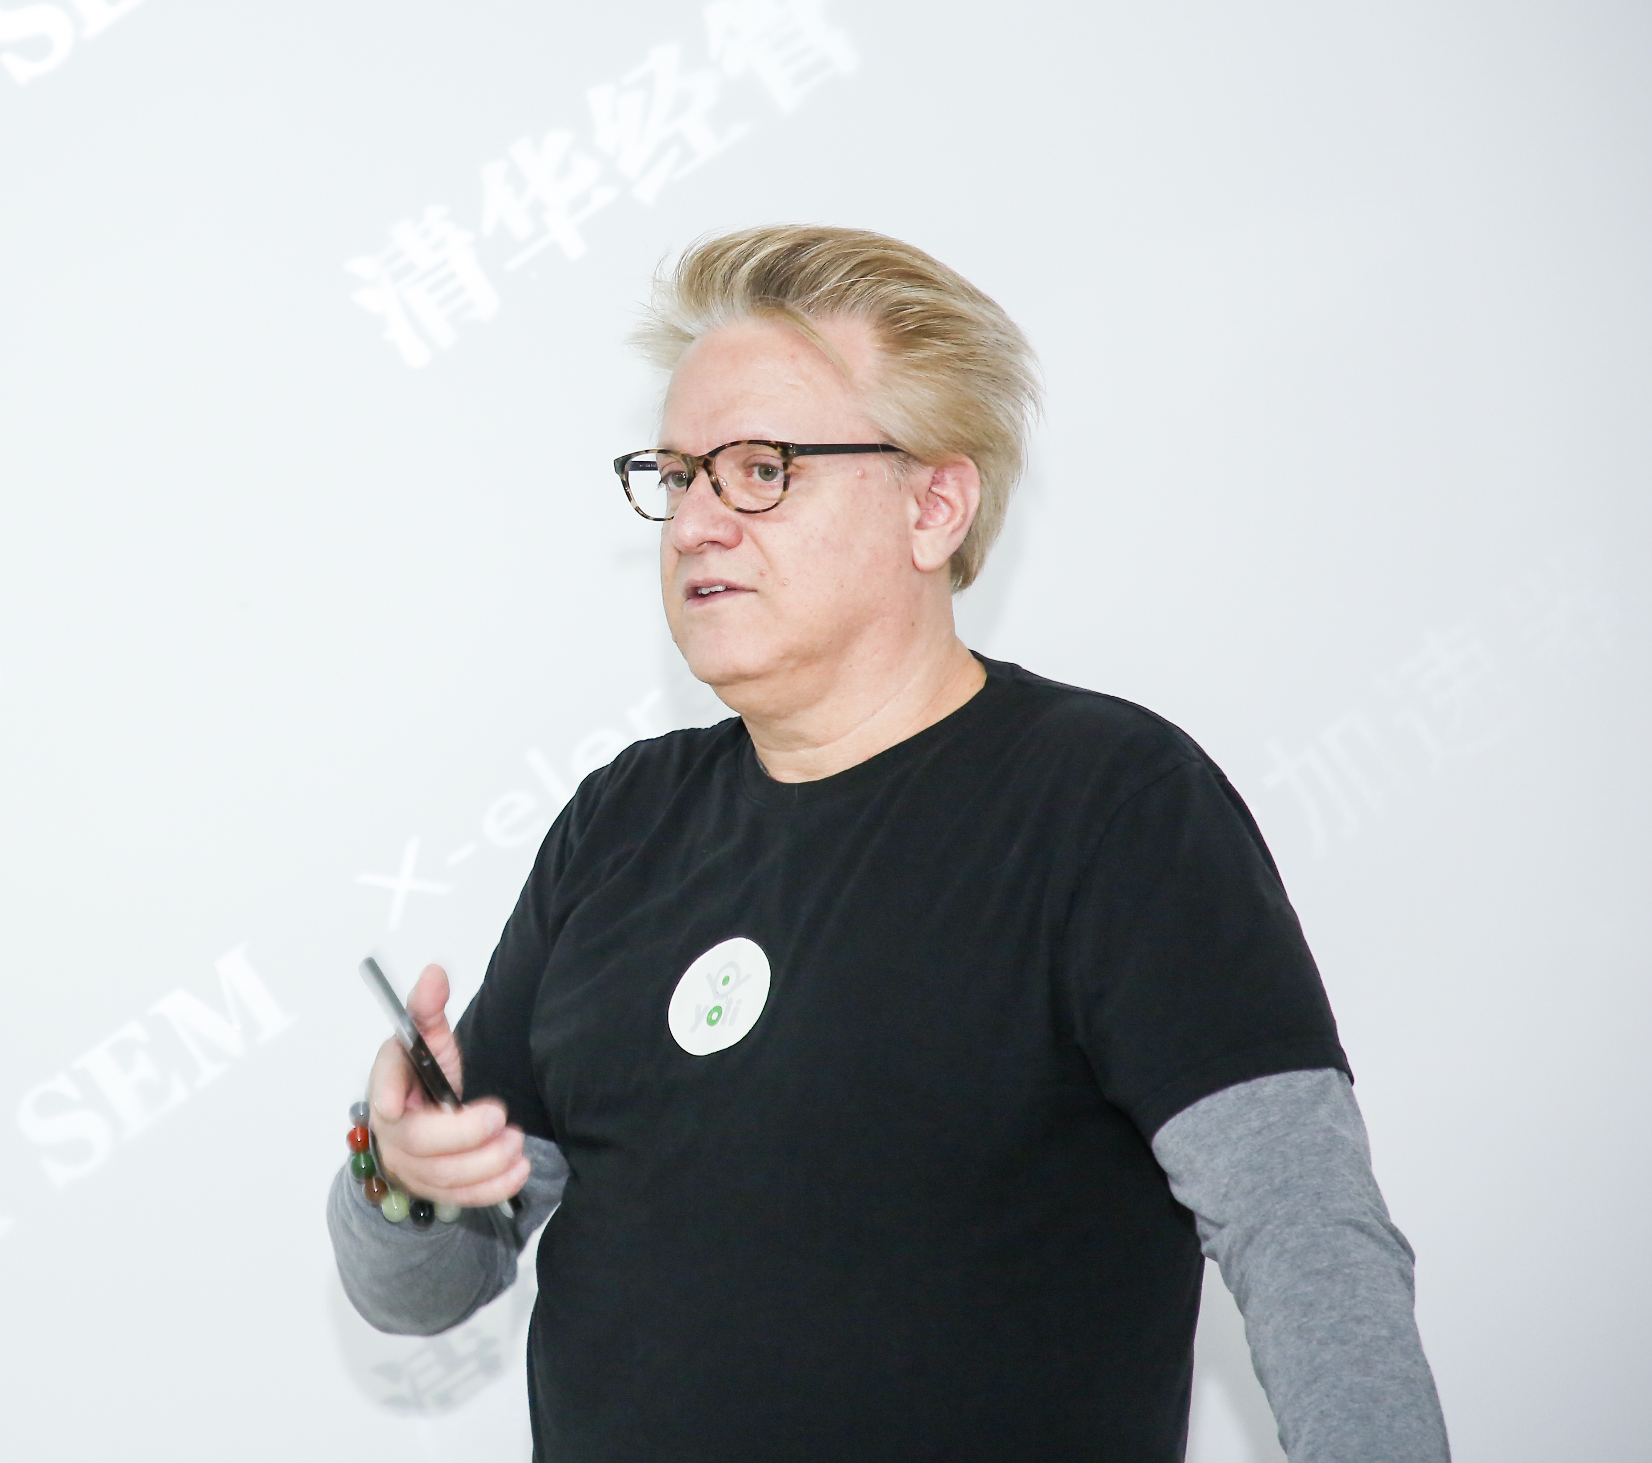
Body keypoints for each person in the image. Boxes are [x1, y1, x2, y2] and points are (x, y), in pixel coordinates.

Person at [327, 224, 1449, 1462]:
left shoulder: (1111, 803)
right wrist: (400, 1172)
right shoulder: (617, 823)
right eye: (678, 474)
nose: (695, 522)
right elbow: (422, 1288)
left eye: (759, 469)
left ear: (932, 504)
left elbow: (1304, 1233)